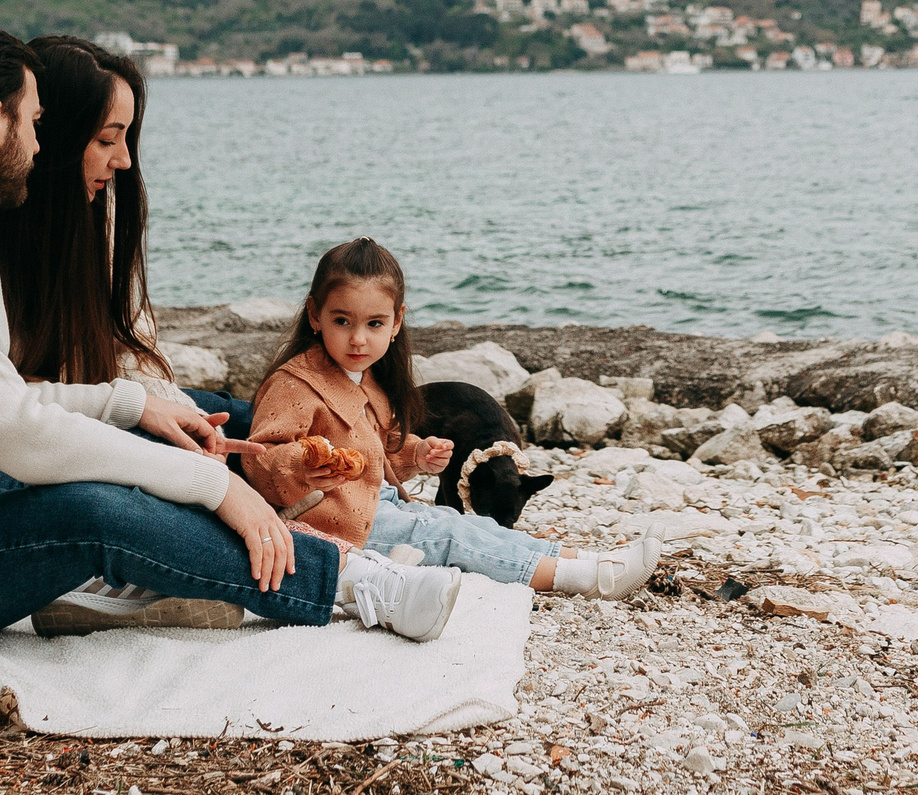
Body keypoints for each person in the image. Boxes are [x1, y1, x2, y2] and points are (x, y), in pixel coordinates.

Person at [0, 20, 460, 644]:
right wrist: (219, 491)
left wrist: (131, 403)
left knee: (156, 437)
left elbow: (8, 401)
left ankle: (287, 552)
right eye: (33, 120)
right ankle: (349, 584)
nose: (38, 138)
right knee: (87, 510)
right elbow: (19, 431)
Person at [245, 237, 660, 598]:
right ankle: (581, 577)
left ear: (396, 322)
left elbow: (379, 445)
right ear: (315, 315)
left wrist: (416, 454)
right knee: (446, 536)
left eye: (374, 323)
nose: (358, 338)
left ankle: (589, 557)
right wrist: (302, 462)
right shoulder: (295, 384)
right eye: (342, 321)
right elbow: (259, 457)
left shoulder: (365, 378)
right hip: (329, 518)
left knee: (449, 519)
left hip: (374, 501)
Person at [0, 35, 250, 442]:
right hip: (53, 428)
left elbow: (129, 346)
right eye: (107, 139)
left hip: (107, 399)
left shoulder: (91, 221)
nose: (123, 160)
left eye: (125, 139)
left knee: (266, 419)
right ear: (50, 139)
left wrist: (179, 411)